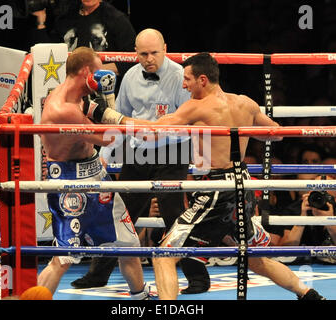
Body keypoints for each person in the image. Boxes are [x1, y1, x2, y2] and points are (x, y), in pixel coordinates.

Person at [117, 52, 325, 300]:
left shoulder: (196, 106)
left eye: (187, 79)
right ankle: (308, 294)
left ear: (202, 80)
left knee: (163, 255)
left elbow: (155, 130)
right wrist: (238, 133)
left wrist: (112, 118)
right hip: (243, 186)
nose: (183, 85)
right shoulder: (245, 103)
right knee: (254, 259)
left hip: (217, 189)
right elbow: (276, 133)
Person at [72, 28, 211, 294]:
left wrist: (197, 161)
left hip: (172, 152)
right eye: (143, 53)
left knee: (174, 216)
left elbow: (188, 120)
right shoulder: (131, 77)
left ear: (165, 49)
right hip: (138, 154)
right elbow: (119, 118)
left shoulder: (181, 77)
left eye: (154, 53)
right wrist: (105, 156)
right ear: (135, 53)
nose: (149, 59)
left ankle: (198, 277)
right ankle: (98, 274)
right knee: (120, 212)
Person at [37, 46, 150, 300]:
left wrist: (106, 111)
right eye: (99, 72)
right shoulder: (62, 108)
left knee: (129, 244)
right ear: (87, 71)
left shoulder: (79, 97)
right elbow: (107, 137)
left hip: (97, 175)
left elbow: (96, 126)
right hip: (70, 183)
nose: (103, 78)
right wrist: (110, 103)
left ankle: (141, 298)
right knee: (64, 257)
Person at [31, 0, 136, 86]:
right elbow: (50, 53)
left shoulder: (116, 19)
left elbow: (132, 59)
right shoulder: (65, 18)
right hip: (69, 86)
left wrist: (94, 72)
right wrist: (41, 24)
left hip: (103, 88)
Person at [279, 174, 336, 264]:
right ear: (310, 193)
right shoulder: (295, 209)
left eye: (326, 196)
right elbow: (285, 252)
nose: (321, 199)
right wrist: (303, 217)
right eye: (317, 194)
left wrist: (330, 222)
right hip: (302, 267)